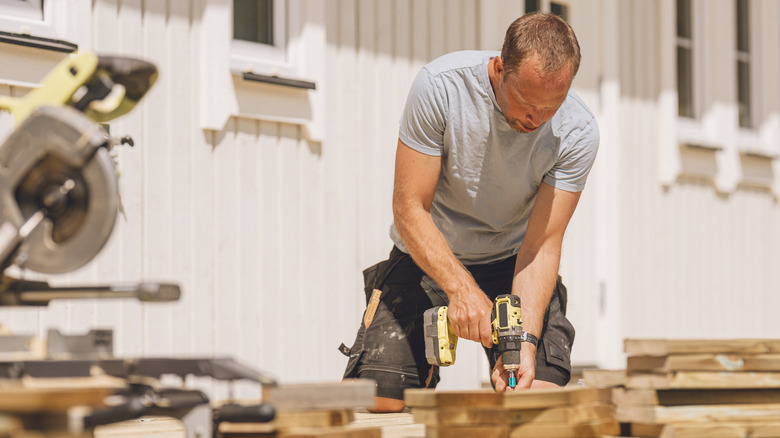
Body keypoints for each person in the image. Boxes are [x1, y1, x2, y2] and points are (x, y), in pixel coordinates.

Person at [339, 12, 599, 412]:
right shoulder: (441, 87)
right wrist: (460, 289)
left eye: (553, 106)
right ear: (499, 68)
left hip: (513, 262)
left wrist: (526, 341)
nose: (538, 119)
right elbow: (409, 209)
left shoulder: (578, 130)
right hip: (427, 256)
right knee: (380, 399)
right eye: (528, 102)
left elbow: (542, 245)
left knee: (534, 399)